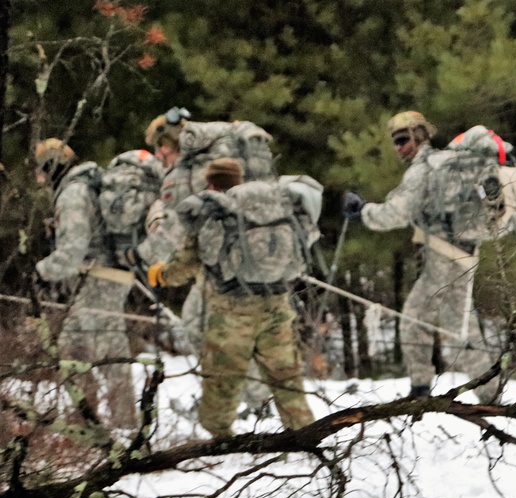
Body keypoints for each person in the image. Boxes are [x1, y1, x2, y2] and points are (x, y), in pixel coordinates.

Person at [145, 158, 314, 437]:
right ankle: (306, 435)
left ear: (211, 184)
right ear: (240, 180)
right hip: (277, 305)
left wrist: (161, 275)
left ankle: (223, 442)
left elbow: (185, 265)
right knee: (286, 378)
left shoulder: (213, 213)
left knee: (222, 382)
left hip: (232, 313)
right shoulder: (270, 209)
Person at [342, 111, 500, 402]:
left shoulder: (423, 169)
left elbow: (396, 212)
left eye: (402, 140)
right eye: (395, 142)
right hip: (464, 253)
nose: (398, 147)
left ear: (418, 136)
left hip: (443, 255)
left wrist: (362, 211)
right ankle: (489, 393)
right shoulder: (445, 165)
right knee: (460, 326)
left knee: (415, 319)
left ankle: (420, 390)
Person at [135, 109, 272, 416]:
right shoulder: (221, 158)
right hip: (248, 258)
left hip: (222, 266)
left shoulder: (187, 173)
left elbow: (176, 225)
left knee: (200, 326)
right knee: (221, 331)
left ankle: (241, 401)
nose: (159, 155)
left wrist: (141, 255)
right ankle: (254, 400)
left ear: (173, 142)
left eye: (161, 147)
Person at [33, 139, 137, 428]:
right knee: (112, 352)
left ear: (52, 167)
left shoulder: (73, 194)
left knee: (72, 350)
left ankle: (87, 425)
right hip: (114, 277)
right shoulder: (89, 184)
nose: (39, 179)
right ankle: (125, 425)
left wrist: (41, 272)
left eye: (41, 171)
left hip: (98, 281)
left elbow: (72, 252)